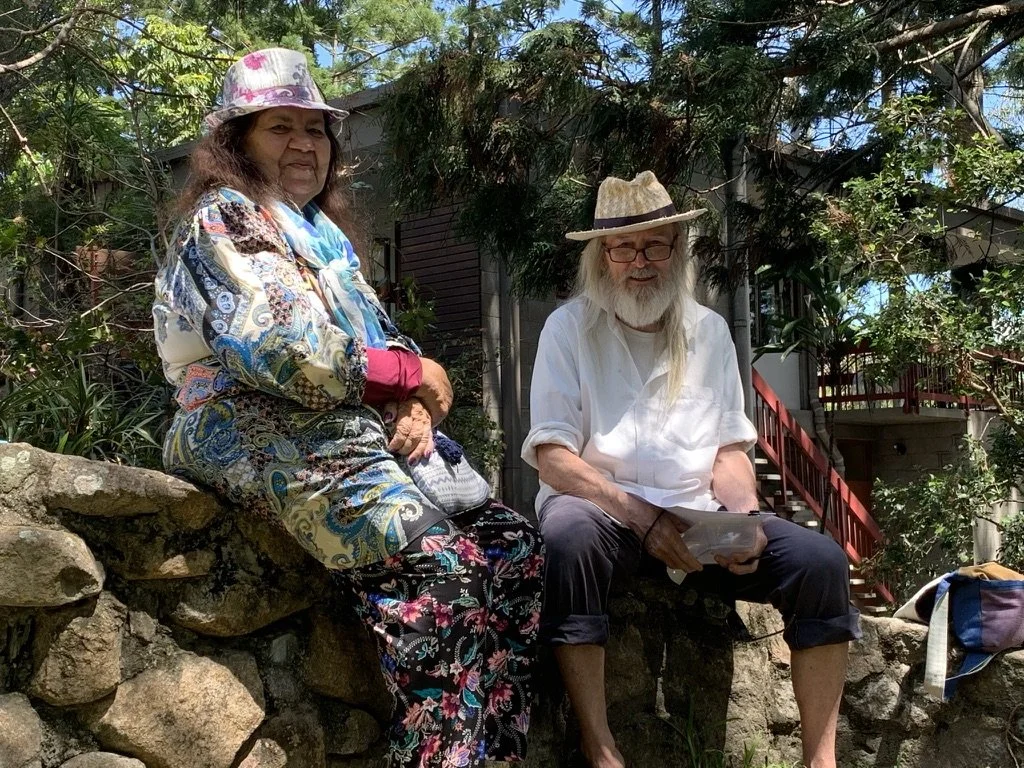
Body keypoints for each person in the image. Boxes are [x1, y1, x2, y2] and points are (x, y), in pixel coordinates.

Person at [153, 48, 544, 768]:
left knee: (512, 550)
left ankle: (492, 753)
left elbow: (386, 342)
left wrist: (419, 404)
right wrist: (411, 374)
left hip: (339, 426)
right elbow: (286, 352)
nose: (305, 144)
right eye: (281, 127)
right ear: (237, 142)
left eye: (317, 129)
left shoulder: (322, 238)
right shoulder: (227, 220)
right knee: (441, 573)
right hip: (246, 421)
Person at [522, 171, 861, 768]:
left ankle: (821, 758)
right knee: (567, 535)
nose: (640, 261)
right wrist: (640, 517)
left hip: (695, 522)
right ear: (601, 257)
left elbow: (729, 451)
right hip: (608, 514)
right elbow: (554, 459)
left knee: (821, 562)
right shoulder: (567, 329)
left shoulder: (708, 332)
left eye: (655, 244)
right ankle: (600, 748)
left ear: (679, 251)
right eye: (623, 247)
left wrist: (742, 519)